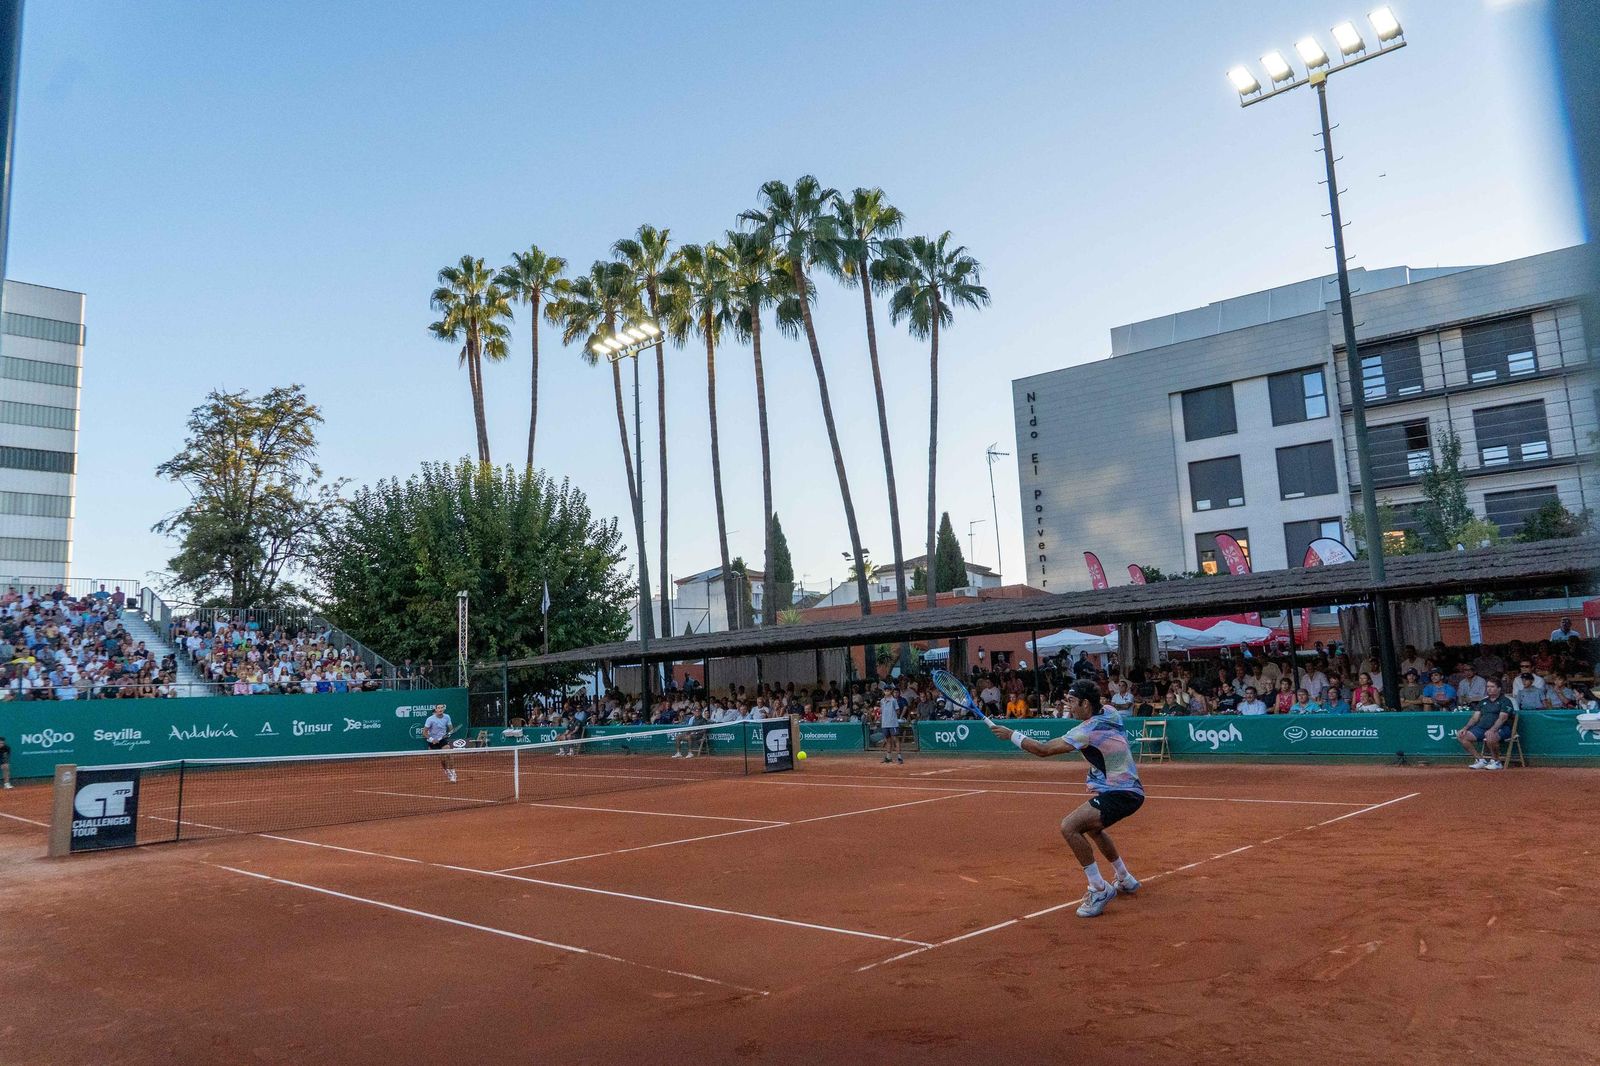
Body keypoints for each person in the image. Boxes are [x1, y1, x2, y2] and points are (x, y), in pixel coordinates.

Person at [986, 680, 1143, 919]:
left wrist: (1011, 735)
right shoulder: (1110, 712)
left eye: (1071, 701)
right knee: (1093, 829)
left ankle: (1099, 889)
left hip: (1120, 793)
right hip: (1128, 790)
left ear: (1085, 704)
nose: (1067, 705)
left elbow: (1043, 749)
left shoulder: (1086, 730)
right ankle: (1125, 878)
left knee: (1069, 827)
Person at [1457, 679, 1515, 770]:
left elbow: (1502, 718)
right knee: (1461, 736)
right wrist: (1465, 728)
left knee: (1490, 735)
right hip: (1482, 728)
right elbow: (1475, 718)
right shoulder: (1483, 702)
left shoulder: (1506, 701)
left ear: (1499, 688)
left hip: (1503, 728)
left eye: (1492, 687)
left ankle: (1496, 761)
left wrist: (1492, 730)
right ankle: (1480, 760)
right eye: (1488, 687)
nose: (1489, 689)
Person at [422, 705, 457, 781]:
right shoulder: (430, 719)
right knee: (442, 759)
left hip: (442, 739)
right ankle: (447, 771)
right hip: (433, 740)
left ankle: (453, 773)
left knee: (449, 754)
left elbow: (451, 729)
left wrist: (449, 733)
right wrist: (432, 740)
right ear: (436, 710)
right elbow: (424, 732)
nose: (440, 709)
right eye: (438, 708)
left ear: (443, 709)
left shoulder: (447, 717)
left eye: (442, 708)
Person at [879, 685, 904, 764]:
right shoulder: (882, 701)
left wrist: (892, 716)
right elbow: (881, 711)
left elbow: (897, 711)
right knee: (888, 740)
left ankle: (900, 758)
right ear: (884, 691)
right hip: (885, 724)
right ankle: (888, 757)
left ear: (891, 691)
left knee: (896, 740)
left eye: (888, 690)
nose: (887, 691)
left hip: (893, 723)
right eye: (885, 690)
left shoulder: (894, 700)